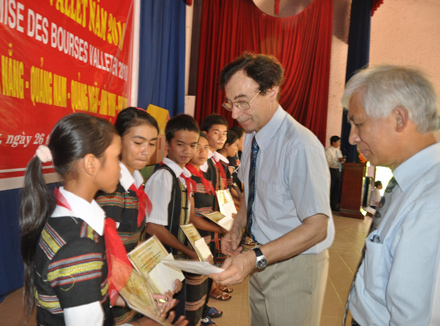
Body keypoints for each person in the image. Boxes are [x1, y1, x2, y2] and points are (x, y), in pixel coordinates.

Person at [210, 53, 334, 326]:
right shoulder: (254, 135)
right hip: (261, 258)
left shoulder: (299, 145)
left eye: (242, 102)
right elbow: (251, 193)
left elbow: (316, 228)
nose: (235, 113)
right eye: (230, 103)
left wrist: (254, 259)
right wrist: (237, 226)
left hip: (294, 264)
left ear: (271, 91)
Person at [342, 65, 440, 326]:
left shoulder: (432, 202)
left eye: (358, 123)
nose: (352, 138)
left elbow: (416, 318)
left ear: (399, 118)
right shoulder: (405, 183)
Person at [95, 107, 184, 325]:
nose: (146, 150)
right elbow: (104, 255)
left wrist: (162, 273)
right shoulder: (112, 191)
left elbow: (138, 242)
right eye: (138, 142)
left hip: (131, 290)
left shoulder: (135, 185)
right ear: (117, 141)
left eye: (152, 143)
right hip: (115, 298)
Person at [144, 114, 200, 325]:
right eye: (180, 144)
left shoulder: (181, 176)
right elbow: (153, 226)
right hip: (164, 260)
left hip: (175, 260)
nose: (187, 151)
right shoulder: (164, 177)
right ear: (167, 144)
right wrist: (187, 251)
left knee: (177, 312)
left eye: (193, 145)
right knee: (166, 315)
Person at [186, 132, 227, 326]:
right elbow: (192, 217)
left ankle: (202, 311)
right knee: (195, 283)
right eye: (197, 147)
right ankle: (196, 316)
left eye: (205, 147)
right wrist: (220, 229)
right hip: (194, 239)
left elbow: (211, 209)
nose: (202, 152)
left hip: (207, 237)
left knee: (205, 279)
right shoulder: (186, 177)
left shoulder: (203, 176)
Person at [325, 135, 346, 211]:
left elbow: (339, 160)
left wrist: (342, 160)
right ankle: (327, 205)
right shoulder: (328, 151)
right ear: (333, 142)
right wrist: (337, 160)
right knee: (330, 188)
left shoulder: (338, 151)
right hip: (331, 171)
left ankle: (334, 205)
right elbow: (328, 162)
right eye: (338, 141)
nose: (340, 143)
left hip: (338, 170)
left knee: (336, 189)